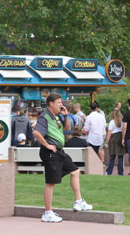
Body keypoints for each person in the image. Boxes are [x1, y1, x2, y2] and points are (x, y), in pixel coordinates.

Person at [33, 93, 92, 223]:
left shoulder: (57, 116)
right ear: (51, 103)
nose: (61, 105)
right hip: (50, 153)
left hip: (59, 152)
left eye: (61, 102)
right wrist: (47, 145)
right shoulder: (45, 117)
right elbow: (36, 132)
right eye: (59, 102)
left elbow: (68, 129)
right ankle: (47, 213)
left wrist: (66, 116)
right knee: (50, 182)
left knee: (75, 171)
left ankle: (78, 201)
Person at [105, 109, 126, 176]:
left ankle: (109, 171)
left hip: (113, 138)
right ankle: (120, 172)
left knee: (112, 156)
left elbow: (109, 132)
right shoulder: (122, 122)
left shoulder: (112, 122)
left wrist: (107, 141)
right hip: (120, 137)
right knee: (120, 156)